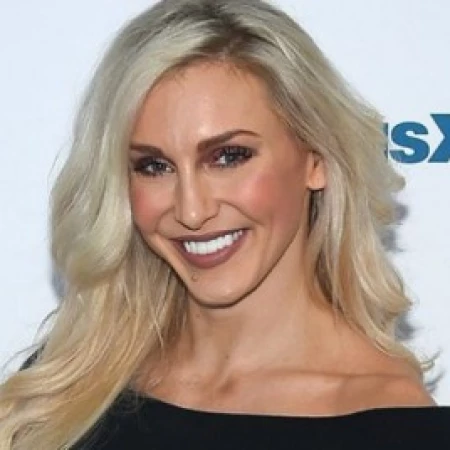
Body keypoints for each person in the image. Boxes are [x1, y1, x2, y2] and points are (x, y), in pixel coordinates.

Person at [1, 0, 449, 448]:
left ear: (317, 159)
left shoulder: (398, 427)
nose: (192, 211)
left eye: (229, 157)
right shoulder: (67, 387)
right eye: (154, 166)